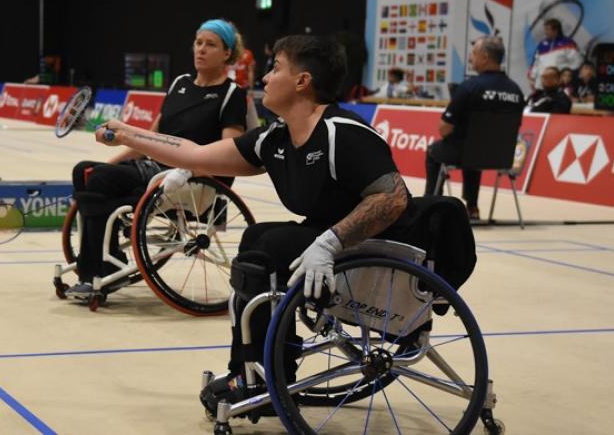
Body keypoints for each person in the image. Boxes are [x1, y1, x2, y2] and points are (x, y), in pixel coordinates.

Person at [93, 35, 413, 415]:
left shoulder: (341, 130)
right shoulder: (275, 138)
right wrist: (130, 134)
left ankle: (267, 376)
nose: (264, 78)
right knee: (259, 238)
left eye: (276, 68)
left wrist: (330, 242)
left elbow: (393, 197)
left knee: (271, 244)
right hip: (329, 244)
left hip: (379, 245)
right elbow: (196, 154)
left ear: (302, 81)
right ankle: (252, 373)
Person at [64, 19, 248, 299]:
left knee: (101, 180)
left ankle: (98, 271)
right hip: (154, 172)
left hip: (192, 182)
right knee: (87, 171)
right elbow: (148, 140)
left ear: (227, 53)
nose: (201, 49)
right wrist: (107, 164)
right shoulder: (179, 84)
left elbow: (228, 152)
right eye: (198, 42)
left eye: (210, 44)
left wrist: (189, 170)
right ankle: (102, 263)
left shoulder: (232, 95)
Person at [424, 36, 524, 220]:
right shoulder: (516, 91)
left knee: (434, 151)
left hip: (467, 153)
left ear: (485, 57)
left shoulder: (469, 87)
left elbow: (444, 128)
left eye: (474, 53)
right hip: (503, 156)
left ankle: (429, 207)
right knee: (475, 147)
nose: (471, 58)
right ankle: (472, 208)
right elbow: (517, 125)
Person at [528, 18, 583, 90]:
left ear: (556, 30)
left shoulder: (568, 43)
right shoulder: (542, 44)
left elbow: (577, 62)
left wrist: (567, 77)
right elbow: (535, 62)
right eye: (545, 29)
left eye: (548, 29)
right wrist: (532, 78)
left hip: (560, 85)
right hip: (541, 85)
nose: (545, 32)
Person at [226, 34, 260, 130]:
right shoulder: (225, 54)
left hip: (242, 89)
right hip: (227, 89)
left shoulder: (247, 54)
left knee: (248, 118)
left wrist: (251, 88)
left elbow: (250, 71)